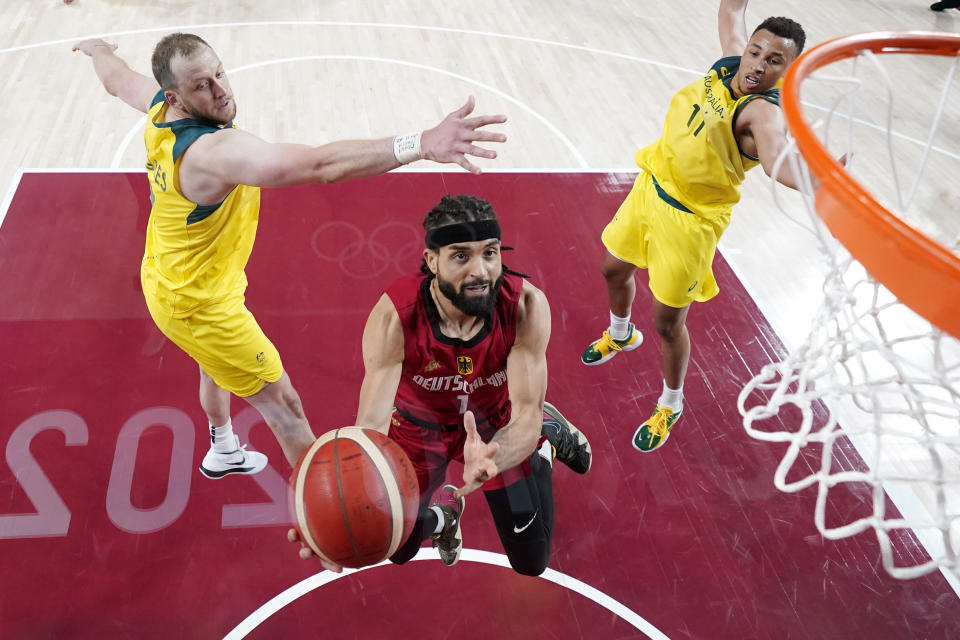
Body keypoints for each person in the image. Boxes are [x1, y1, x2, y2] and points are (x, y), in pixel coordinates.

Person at [72, 34, 507, 484]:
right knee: (286, 408)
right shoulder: (213, 153)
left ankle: (222, 450)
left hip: (171, 275)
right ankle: (327, 523)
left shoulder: (161, 108)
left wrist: (98, 50)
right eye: (203, 86)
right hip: (200, 305)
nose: (221, 90)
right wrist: (422, 143)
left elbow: (118, 81)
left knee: (214, 364)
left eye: (219, 73)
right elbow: (320, 166)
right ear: (178, 97)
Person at [294, 194, 592, 574]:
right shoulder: (395, 319)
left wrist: (496, 455)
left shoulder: (525, 307)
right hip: (419, 430)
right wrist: (328, 523)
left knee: (531, 562)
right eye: (461, 256)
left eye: (490, 253)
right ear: (431, 261)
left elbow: (525, 415)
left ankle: (544, 444)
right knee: (396, 545)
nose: (481, 271)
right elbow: (370, 427)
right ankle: (445, 517)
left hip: (496, 427)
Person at [579, 0, 806, 453]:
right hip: (650, 188)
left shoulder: (762, 113)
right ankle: (621, 335)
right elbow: (730, 15)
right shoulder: (732, 64)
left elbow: (780, 162)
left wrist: (825, 180)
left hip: (691, 222)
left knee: (667, 323)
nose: (758, 64)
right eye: (757, 52)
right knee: (613, 269)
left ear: (789, 72)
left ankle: (671, 402)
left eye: (774, 61)